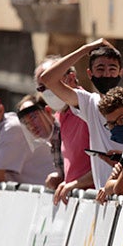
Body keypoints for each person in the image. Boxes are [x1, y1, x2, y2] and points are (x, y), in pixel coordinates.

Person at [38, 39, 123, 190]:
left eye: (112, 69)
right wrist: (85, 49)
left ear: (121, 72)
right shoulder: (90, 103)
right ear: (89, 74)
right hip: (101, 196)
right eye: (100, 69)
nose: (106, 74)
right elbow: (48, 79)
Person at [34, 57, 94, 203]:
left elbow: (110, 163)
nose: (48, 91)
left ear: (71, 78)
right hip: (75, 202)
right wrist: (63, 179)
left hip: (97, 202)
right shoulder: (61, 112)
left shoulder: (90, 107)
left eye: (51, 83)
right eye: (42, 87)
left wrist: (75, 183)